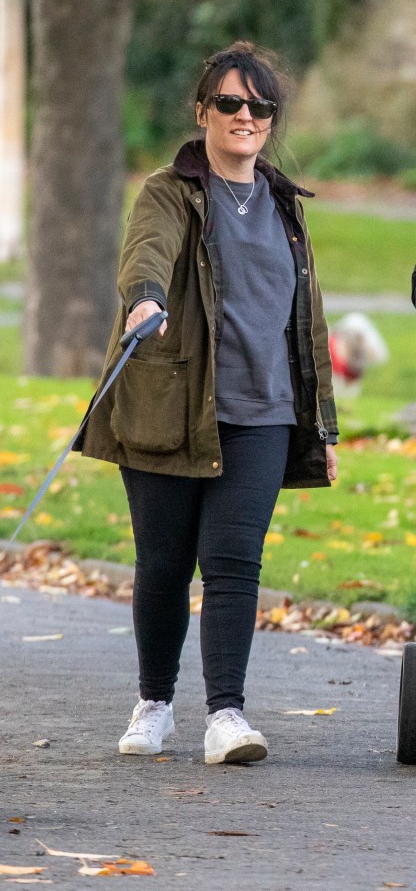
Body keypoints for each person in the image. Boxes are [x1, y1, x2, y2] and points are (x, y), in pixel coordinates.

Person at [75, 40, 338, 765]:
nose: (244, 116)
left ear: (271, 118)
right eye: (229, 103)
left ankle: (227, 716)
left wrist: (325, 426)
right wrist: (144, 302)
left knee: (234, 562)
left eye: (258, 106)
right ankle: (154, 702)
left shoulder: (285, 204)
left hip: (265, 410)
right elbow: (148, 253)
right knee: (163, 564)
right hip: (171, 402)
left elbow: (306, 318)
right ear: (203, 111)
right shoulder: (171, 190)